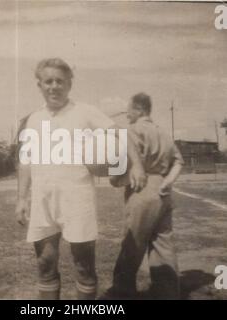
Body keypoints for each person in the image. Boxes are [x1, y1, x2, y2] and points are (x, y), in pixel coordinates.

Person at [15, 58, 146, 300]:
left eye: (60, 81)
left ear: (69, 84)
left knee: (84, 266)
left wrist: (136, 164)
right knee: (45, 263)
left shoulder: (85, 112)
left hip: (78, 199)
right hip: (43, 200)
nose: (54, 86)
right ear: (40, 85)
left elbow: (122, 132)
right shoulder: (32, 119)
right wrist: (22, 198)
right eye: (48, 81)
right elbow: (25, 160)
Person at [103, 93, 184, 300]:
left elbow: (118, 169)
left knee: (133, 244)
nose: (127, 114)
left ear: (139, 109)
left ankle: (121, 294)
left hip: (141, 188)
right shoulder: (163, 132)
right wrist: (167, 182)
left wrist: (115, 180)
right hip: (164, 191)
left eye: (129, 109)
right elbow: (179, 162)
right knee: (163, 245)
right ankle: (167, 294)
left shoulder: (130, 131)